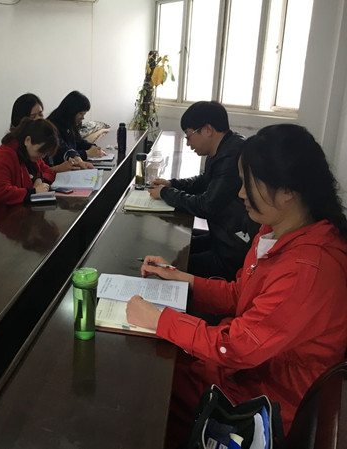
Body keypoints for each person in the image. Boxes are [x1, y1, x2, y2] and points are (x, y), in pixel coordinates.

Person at [127, 124, 347, 445]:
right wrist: (182, 278)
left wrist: (159, 320)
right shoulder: (275, 231)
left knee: (148, 390)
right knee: (158, 366)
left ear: (288, 190)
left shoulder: (307, 268)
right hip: (250, 368)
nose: (241, 193)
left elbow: (236, 348)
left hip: (265, 401)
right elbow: (240, 294)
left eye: (249, 184)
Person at [148, 101, 259, 281]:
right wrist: (171, 183)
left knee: (174, 264)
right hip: (222, 236)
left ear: (207, 130)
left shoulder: (232, 156)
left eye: (189, 135)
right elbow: (204, 180)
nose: (187, 143)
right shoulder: (225, 146)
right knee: (173, 250)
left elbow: (206, 206)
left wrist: (164, 193)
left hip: (231, 251)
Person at [0, 118, 58, 243]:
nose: (42, 156)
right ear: (28, 141)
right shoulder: (3, 156)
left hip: (16, 217)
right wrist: (33, 191)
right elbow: (1, 191)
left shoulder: (28, 153)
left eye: (45, 153)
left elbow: (48, 171)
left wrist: (41, 181)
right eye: (41, 151)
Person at [10, 93, 79, 173]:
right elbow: (33, 174)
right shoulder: (15, 150)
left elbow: (61, 148)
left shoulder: (45, 133)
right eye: (33, 117)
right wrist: (58, 169)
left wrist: (77, 158)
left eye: (40, 114)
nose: (39, 119)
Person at [47, 90, 105, 169]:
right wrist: (87, 153)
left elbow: (79, 141)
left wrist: (92, 147)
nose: (83, 117)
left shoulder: (70, 123)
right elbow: (62, 152)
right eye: (81, 113)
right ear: (71, 111)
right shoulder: (52, 126)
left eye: (84, 114)